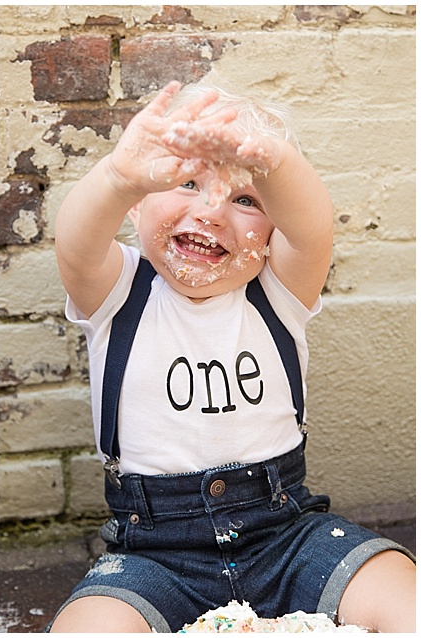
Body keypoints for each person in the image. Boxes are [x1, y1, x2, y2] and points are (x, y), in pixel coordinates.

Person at [47, 81, 415, 632]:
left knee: (404, 597)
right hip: (154, 556)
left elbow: (313, 226)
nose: (212, 210)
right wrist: (118, 177)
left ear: (271, 232)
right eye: (186, 182)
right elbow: (74, 243)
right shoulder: (117, 289)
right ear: (141, 202)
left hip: (288, 538)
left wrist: (272, 161)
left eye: (246, 198)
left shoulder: (279, 292)